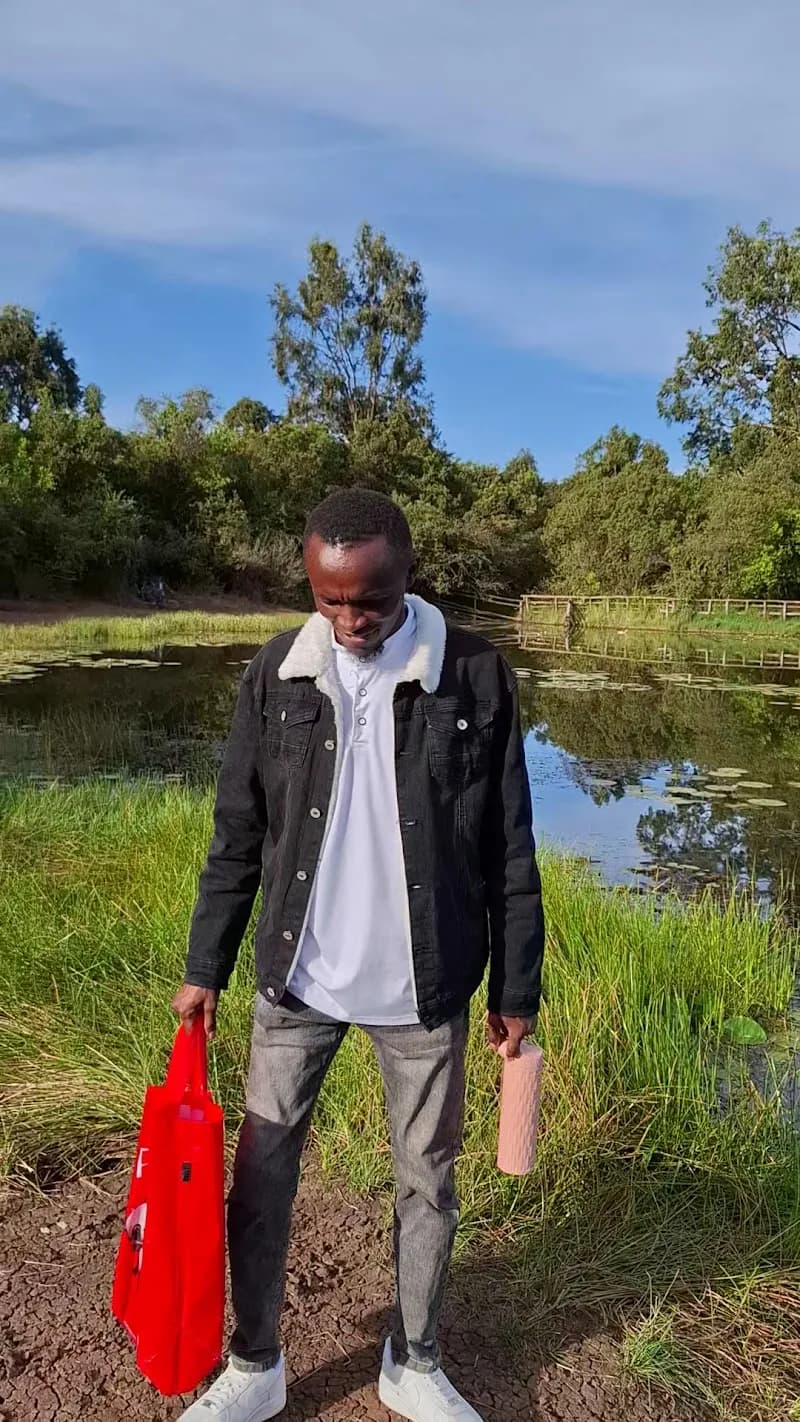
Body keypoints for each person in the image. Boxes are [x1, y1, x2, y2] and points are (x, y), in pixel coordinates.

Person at [173, 489, 544, 1422]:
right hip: (297, 981)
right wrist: (203, 965)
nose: (348, 620)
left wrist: (517, 983)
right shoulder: (276, 675)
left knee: (429, 1177)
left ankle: (413, 1361)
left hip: (425, 988)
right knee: (260, 1170)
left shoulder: (475, 675)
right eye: (328, 599)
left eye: (368, 601)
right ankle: (254, 1363)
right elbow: (236, 834)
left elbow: (510, 846)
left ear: (407, 574)